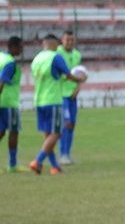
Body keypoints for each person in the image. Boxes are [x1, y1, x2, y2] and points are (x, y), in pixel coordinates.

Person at [29, 34, 86, 175]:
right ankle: (38, 161)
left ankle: (55, 167)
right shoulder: (55, 57)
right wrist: (79, 79)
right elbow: (69, 74)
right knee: (57, 132)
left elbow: (57, 77)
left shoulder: (36, 59)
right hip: (53, 100)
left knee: (47, 134)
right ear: (55, 44)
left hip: (38, 100)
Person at [57, 29, 82, 165]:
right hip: (61, 94)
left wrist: (78, 87)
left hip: (73, 94)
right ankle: (63, 155)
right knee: (65, 124)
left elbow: (79, 73)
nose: (70, 42)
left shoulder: (77, 55)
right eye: (68, 40)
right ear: (62, 40)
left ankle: (67, 154)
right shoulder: (57, 53)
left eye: (72, 40)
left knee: (72, 125)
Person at [0, 36, 24, 172]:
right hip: (9, 103)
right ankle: (13, 165)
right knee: (13, 132)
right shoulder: (9, 63)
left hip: (2, 102)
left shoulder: (1, 58)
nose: (22, 50)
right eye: (20, 47)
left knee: (1, 132)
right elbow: (1, 83)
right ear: (13, 47)